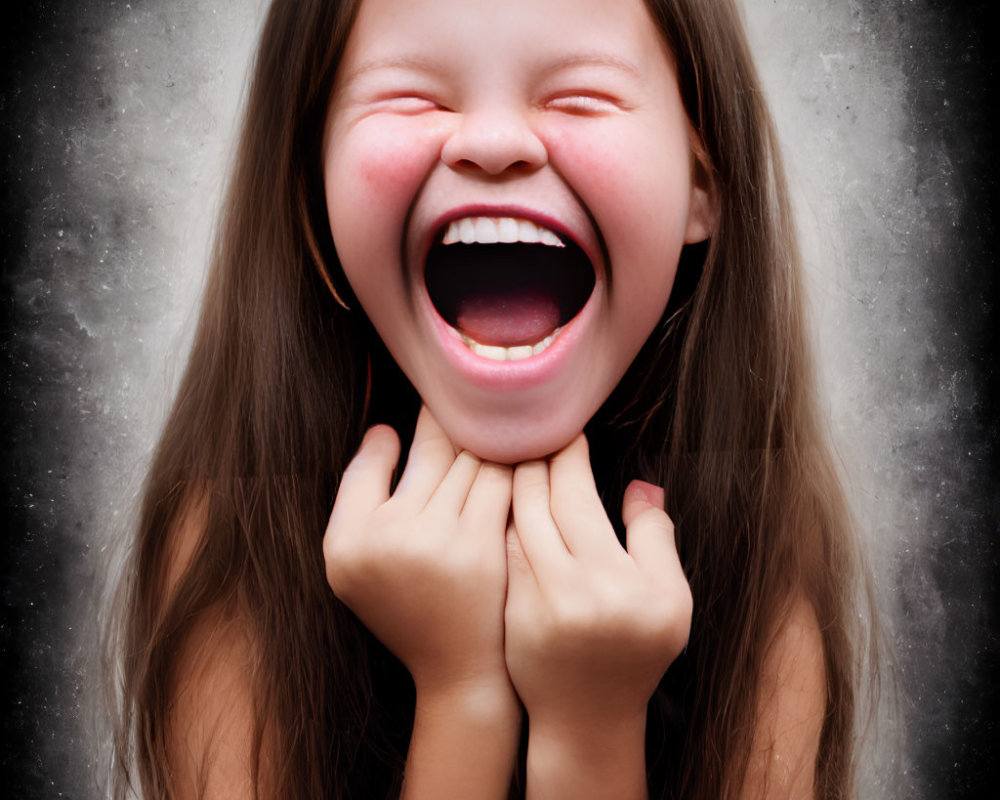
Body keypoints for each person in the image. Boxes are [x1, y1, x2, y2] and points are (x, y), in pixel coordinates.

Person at [110, 0, 874, 797]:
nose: (495, 141)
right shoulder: (225, 544)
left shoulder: (768, 537)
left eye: (581, 96)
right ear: (311, 194)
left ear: (701, 183)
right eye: (416, 97)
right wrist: (462, 695)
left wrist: (592, 730)